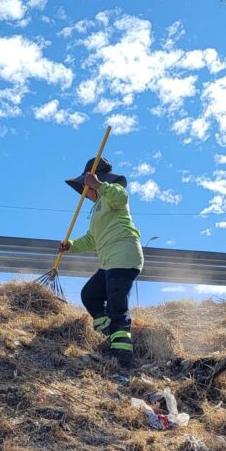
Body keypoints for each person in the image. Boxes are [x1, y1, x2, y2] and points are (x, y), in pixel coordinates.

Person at [59, 157, 144, 367]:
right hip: (109, 262)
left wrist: (99, 185)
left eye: (86, 188)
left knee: (117, 305)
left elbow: (121, 197)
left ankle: (122, 354)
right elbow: (91, 239)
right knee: (90, 295)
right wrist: (70, 245)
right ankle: (110, 330)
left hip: (123, 255)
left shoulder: (113, 193)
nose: (85, 193)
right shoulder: (96, 210)